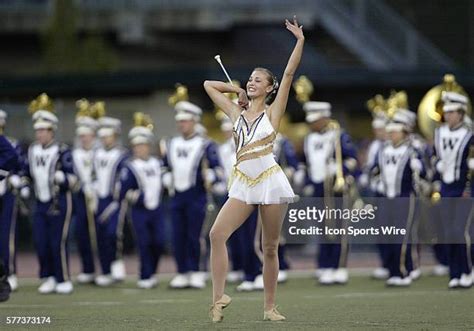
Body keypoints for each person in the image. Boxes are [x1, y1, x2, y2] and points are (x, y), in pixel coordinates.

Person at [204, 16, 304, 322]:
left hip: (270, 182)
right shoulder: (236, 112)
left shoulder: (273, 113)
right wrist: (236, 91)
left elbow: (288, 74)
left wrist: (299, 41)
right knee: (217, 234)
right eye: (250, 78)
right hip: (243, 183)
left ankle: (269, 307)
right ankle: (218, 297)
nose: (251, 82)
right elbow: (209, 85)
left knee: (269, 247)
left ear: (270, 89)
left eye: (258, 80)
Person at [293, 101, 359, 285]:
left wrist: (339, 170)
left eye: (315, 120)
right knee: (322, 227)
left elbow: (352, 159)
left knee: (339, 227)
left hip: (336, 189)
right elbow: (305, 161)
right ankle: (325, 265)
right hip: (318, 188)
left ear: (324, 118)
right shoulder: (309, 138)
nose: (311, 124)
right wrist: (304, 178)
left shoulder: (338, 135)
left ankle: (340, 266)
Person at [162, 100, 223, 289]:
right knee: (178, 234)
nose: (182, 124)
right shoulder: (171, 143)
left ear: (195, 121)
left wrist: (211, 176)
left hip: (197, 196)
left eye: (186, 121)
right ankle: (182, 271)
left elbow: (218, 169)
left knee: (195, 234)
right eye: (180, 121)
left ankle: (197, 270)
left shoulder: (206, 144)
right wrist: (166, 177)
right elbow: (164, 166)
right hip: (177, 196)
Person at [23, 94, 76, 294]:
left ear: (51, 131)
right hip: (41, 201)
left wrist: (63, 178)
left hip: (60, 201)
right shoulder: (32, 151)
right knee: (40, 240)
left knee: (57, 241)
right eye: (37, 130)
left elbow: (74, 180)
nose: (39, 134)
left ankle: (63, 278)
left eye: (43, 130)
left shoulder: (62, 151)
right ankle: (48, 276)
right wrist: (24, 184)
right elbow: (27, 173)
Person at [371, 109, 426, 286]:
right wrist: (377, 180)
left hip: (404, 197)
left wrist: (419, 168)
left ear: (404, 132)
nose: (391, 135)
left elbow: (424, 174)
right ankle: (394, 270)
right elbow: (375, 170)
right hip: (387, 197)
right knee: (388, 235)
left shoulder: (412, 150)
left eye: (395, 132)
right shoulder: (383, 150)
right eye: (390, 132)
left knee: (401, 236)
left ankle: (403, 272)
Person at [118, 113, 165, 289]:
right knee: (144, 243)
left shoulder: (157, 163)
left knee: (159, 242)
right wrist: (137, 196)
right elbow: (123, 191)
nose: (139, 149)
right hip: (140, 210)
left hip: (157, 209)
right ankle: (145, 274)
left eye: (142, 145)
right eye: (136, 146)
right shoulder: (129, 166)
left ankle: (152, 271)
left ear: (148, 146)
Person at [432, 91, 473, 289]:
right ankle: (454, 272)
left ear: (461, 113)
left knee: (460, 230)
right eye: (446, 112)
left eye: (452, 112)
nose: (447, 115)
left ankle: (467, 270)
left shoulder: (470, 134)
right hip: (446, 188)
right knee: (448, 232)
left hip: (464, 189)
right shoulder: (439, 132)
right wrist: (436, 166)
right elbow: (434, 156)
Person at [93, 106, 128, 286]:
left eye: (109, 136)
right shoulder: (96, 154)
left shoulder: (122, 155)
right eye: (103, 136)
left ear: (115, 136)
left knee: (113, 233)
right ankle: (105, 269)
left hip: (116, 200)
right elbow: (93, 175)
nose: (105, 139)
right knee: (100, 236)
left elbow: (124, 178)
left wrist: (117, 199)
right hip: (99, 199)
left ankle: (117, 264)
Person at [72, 100, 99, 284]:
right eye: (81, 136)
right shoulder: (75, 154)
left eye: (87, 135)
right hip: (81, 197)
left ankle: (106, 268)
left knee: (101, 234)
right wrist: (81, 186)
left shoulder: (99, 152)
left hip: (98, 197)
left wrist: (95, 187)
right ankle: (88, 268)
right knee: (82, 232)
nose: (84, 139)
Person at [0, 115, 20, 302]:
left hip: (4, 195)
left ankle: (6, 278)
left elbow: (13, 158)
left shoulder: (4, 141)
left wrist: (2, 172)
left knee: (5, 237)